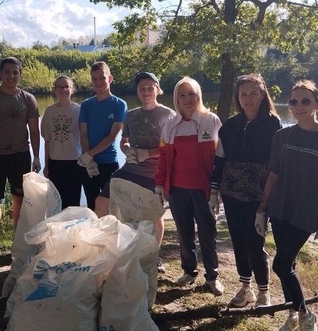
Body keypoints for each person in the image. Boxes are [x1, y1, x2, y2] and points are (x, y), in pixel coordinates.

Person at [256, 79, 318, 331]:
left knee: (281, 265)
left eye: (305, 101)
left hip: (305, 212)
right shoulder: (282, 136)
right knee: (289, 265)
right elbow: (273, 173)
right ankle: (293, 315)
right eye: (294, 101)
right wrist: (262, 209)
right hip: (280, 208)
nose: (299, 106)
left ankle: (307, 316)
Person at [210, 74, 281, 308]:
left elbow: (277, 164)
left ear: (262, 95)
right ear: (237, 98)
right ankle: (245, 288)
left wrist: (268, 200)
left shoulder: (273, 124)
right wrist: (214, 192)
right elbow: (219, 160)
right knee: (238, 241)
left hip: (259, 195)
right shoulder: (229, 125)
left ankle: (264, 291)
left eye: (253, 93)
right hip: (231, 193)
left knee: (255, 242)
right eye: (243, 94)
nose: (248, 99)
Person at [94, 72, 174, 270]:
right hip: (130, 169)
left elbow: (172, 148)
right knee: (101, 201)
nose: (146, 92)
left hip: (154, 172)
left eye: (149, 88)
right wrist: (127, 150)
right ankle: (103, 249)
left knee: (155, 215)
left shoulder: (167, 115)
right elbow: (123, 141)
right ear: (137, 91)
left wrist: (148, 153)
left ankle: (154, 255)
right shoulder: (131, 114)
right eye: (141, 89)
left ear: (157, 89)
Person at [155, 77, 224, 295]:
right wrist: (159, 185)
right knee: (184, 232)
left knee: (207, 233)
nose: (187, 99)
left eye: (191, 94)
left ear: (198, 95)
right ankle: (189, 270)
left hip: (203, 189)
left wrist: (216, 190)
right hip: (177, 189)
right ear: (176, 98)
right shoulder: (170, 124)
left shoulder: (210, 120)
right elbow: (164, 158)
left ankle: (212, 276)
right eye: (182, 95)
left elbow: (220, 158)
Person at [0, 56, 40, 251]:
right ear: (0, 74)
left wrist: (36, 156)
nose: (11, 76)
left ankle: (18, 238)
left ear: (20, 74)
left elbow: (34, 131)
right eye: (7, 72)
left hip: (20, 155)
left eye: (15, 72)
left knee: (19, 198)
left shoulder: (28, 99)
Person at [78, 61, 127, 211]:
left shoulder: (119, 104)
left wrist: (89, 155)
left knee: (111, 205)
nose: (98, 82)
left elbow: (112, 136)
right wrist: (89, 159)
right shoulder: (86, 105)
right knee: (92, 205)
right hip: (88, 163)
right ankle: (94, 234)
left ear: (110, 78)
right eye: (94, 79)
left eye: (102, 78)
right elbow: (83, 133)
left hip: (108, 162)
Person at [41, 75, 82, 208]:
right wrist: (46, 165)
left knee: (73, 202)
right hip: (55, 163)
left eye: (66, 87)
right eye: (60, 87)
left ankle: (74, 228)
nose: (63, 90)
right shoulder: (49, 111)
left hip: (75, 162)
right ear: (55, 90)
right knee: (56, 202)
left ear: (72, 90)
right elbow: (47, 141)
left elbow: (86, 138)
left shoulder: (80, 110)